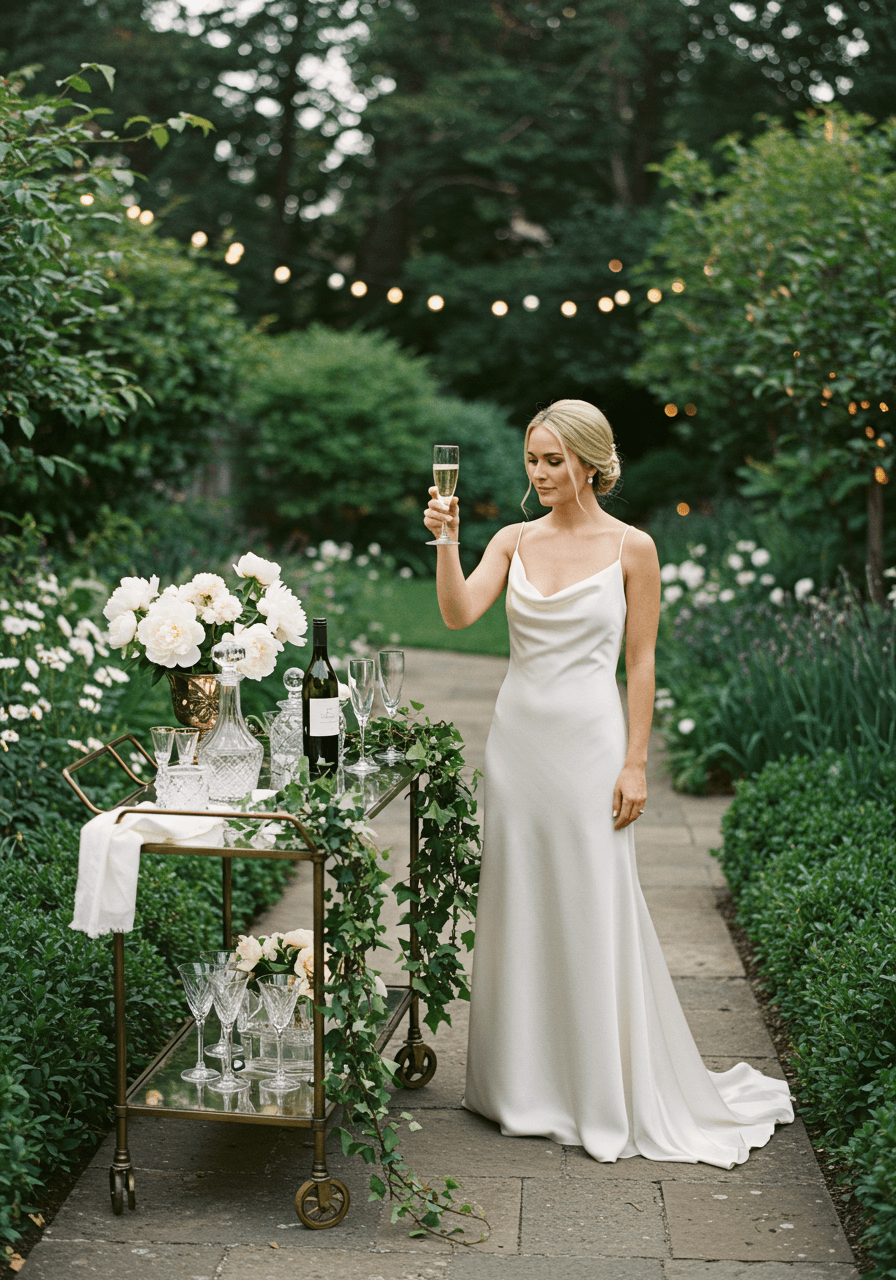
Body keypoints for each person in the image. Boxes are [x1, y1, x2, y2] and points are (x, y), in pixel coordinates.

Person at [423, 399, 793, 1167]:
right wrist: (448, 542)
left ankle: (599, 1089)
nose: (541, 474)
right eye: (533, 460)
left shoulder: (634, 548)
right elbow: (458, 616)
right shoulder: (511, 539)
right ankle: (518, 1085)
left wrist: (634, 760)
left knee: (593, 901)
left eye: (555, 461)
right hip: (519, 743)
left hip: (591, 747)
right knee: (520, 898)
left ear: (592, 462)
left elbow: (642, 662)